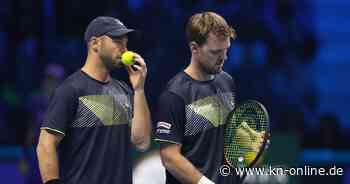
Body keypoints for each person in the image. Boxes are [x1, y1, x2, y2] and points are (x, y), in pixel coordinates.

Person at [36, 16, 151, 184]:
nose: (125, 50)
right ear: (95, 43)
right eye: (117, 41)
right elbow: (46, 145)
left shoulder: (125, 91)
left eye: (125, 43)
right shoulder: (70, 90)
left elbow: (141, 142)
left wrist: (139, 89)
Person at [155, 12, 239, 184]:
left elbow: (226, 137)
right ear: (194, 48)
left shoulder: (227, 82)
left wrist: (248, 142)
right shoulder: (174, 94)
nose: (224, 58)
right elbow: (169, 157)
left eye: (226, 49)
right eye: (215, 52)